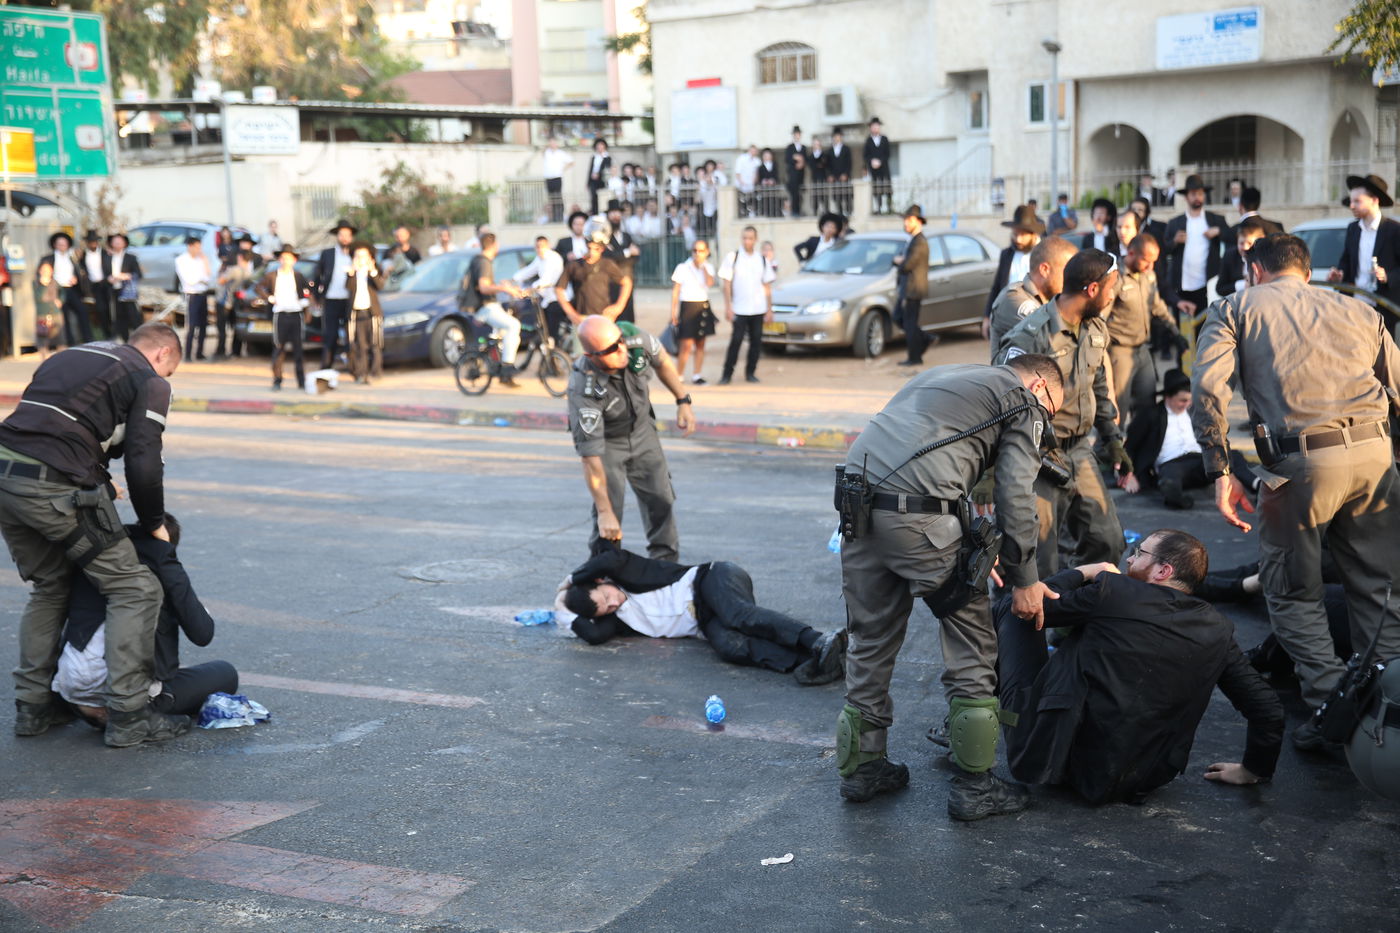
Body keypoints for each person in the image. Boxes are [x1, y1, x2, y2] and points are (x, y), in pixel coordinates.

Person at [1192, 232, 1400, 753]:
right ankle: (1390, 702)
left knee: (1290, 589)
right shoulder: (1358, 308)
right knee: (1381, 589)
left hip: (1300, 463)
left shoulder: (1235, 307)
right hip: (1375, 454)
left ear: (1255, 270)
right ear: (1304, 271)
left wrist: (1220, 469)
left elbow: (1207, 391)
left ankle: (1336, 712)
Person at [834, 355, 1063, 816]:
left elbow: (930, 457)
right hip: (918, 520)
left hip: (857, 511)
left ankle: (862, 768)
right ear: (1040, 385)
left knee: (870, 639)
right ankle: (976, 787)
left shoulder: (943, 375)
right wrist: (1025, 580)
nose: (1047, 419)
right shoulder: (1023, 400)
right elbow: (1016, 495)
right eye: (1054, 409)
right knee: (973, 644)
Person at [0, 322, 189, 747]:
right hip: (52, 486)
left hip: (5, 475)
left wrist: (98, 479)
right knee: (135, 588)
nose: (166, 381)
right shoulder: (149, 379)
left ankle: (33, 708)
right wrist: (154, 521)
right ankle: (129, 714)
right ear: (162, 355)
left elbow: (55, 428)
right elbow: (143, 456)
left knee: (51, 585)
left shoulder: (71, 355)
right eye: (170, 371)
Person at [994, 530, 1284, 804]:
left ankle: (975, 707)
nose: (1129, 559)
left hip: (1050, 759)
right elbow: (1266, 706)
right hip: (1140, 779)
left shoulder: (1114, 591)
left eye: (1139, 552)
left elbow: (1033, 604)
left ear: (1163, 570)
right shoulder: (1218, 630)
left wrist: (1085, 571)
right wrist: (1254, 769)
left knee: (1012, 607)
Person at [994, 249, 1131, 577]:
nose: (1114, 294)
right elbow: (999, 401)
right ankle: (1023, 621)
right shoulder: (1031, 335)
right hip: (1037, 456)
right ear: (1093, 290)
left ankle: (1072, 613)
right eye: (1110, 287)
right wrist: (988, 473)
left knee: (1108, 541)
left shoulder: (1095, 328)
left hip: (1080, 450)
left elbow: (1097, 385)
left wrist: (1113, 439)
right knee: (1037, 556)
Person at [557, 546, 846, 684]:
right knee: (728, 646)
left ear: (600, 581)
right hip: (705, 621)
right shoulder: (617, 619)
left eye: (607, 596)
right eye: (605, 608)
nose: (613, 603)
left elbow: (609, 557)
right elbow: (594, 635)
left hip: (711, 579)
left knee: (738, 615)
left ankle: (818, 640)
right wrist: (563, 609)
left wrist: (571, 579)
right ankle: (815, 661)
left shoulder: (626, 573)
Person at [55, 514, 239, 724]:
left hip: (72, 684)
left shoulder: (98, 558)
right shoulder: (163, 566)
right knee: (226, 673)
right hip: (128, 694)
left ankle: (84, 708)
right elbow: (203, 632)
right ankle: (130, 712)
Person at [567, 315, 696, 560]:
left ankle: (664, 568)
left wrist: (683, 400)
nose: (621, 349)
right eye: (611, 349)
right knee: (609, 515)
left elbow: (663, 361)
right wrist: (604, 511)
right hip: (607, 444)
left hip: (642, 432)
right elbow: (590, 458)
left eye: (620, 341)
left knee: (661, 500)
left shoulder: (634, 338)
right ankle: (603, 577)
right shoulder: (583, 386)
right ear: (591, 356)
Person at [1121, 368, 1257, 509]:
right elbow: (1130, 447)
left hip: (1202, 461)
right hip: (1172, 464)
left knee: (1233, 455)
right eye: (1182, 400)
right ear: (1168, 397)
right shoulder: (1151, 415)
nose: (1187, 404)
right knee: (1168, 478)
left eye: (1189, 400)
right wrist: (1129, 474)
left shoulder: (1195, 412)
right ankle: (1175, 496)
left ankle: (1257, 485)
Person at [1105, 234, 1182, 424]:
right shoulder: (1115, 278)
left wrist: (1175, 332)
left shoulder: (1149, 275)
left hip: (1143, 350)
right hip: (1119, 351)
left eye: (1154, 262)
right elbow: (1100, 318)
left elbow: (1157, 306)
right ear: (1131, 253)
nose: (1151, 267)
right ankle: (1111, 450)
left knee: (1148, 404)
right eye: (1146, 261)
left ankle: (1141, 449)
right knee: (1117, 411)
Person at [985, 234, 1076, 357]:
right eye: (1066, 271)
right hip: (1015, 375)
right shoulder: (1015, 300)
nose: (1070, 279)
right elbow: (1054, 342)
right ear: (1044, 270)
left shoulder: (1050, 300)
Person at [460, 233, 525, 386]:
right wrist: (504, 289)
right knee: (513, 325)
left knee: (503, 334)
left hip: (484, 307)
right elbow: (483, 287)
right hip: (486, 307)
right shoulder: (484, 263)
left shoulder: (477, 260)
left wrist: (503, 286)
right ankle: (507, 367)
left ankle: (499, 367)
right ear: (495, 245)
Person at [1163, 174, 1230, 320]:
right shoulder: (1175, 223)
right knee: (1184, 329)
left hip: (1207, 285)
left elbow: (1232, 237)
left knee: (1206, 325)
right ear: (1186, 197)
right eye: (1193, 194)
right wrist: (1174, 241)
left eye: (1200, 194)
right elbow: (1164, 249)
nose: (1197, 197)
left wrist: (1218, 231)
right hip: (1181, 285)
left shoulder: (1215, 220)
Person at [719, 226, 776, 386]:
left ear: (755, 240)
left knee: (756, 342)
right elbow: (727, 284)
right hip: (739, 308)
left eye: (750, 238)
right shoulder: (733, 257)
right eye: (744, 238)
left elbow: (766, 286)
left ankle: (750, 372)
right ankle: (727, 374)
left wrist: (769, 309)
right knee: (736, 341)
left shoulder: (762, 260)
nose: (747, 241)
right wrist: (728, 306)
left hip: (758, 309)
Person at [1329, 173, 1400, 301]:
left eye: (1357, 201)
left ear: (1374, 200)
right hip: (1354, 302)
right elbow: (1346, 260)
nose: (1351, 206)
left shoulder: (1394, 229)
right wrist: (1339, 275)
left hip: (1383, 305)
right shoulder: (1353, 228)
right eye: (1351, 201)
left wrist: (1387, 276)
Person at [255, 245, 312, 391]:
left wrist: (305, 303)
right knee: (279, 349)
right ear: (280, 259)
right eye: (283, 258)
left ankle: (301, 381)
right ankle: (277, 380)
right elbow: (259, 287)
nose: (286, 261)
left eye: (289, 258)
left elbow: (308, 290)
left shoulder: (298, 276)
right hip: (280, 315)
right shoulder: (273, 275)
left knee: (298, 350)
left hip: (296, 315)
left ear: (294, 260)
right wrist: (270, 298)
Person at [556, 226, 632, 324]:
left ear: (602, 249)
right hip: (581, 318)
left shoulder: (607, 264)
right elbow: (558, 289)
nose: (592, 252)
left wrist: (619, 306)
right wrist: (571, 313)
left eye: (596, 249)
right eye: (589, 248)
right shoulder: (574, 265)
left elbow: (627, 283)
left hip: (604, 316)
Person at [984, 205, 1044, 326]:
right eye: (1015, 234)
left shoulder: (1043, 254)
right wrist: (987, 316)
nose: (1018, 239)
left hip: (1035, 318)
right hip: (1006, 318)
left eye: (1022, 235)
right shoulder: (1006, 254)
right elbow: (996, 287)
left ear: (1032, 234)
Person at [669, 239, 716, 385]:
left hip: (702, 306)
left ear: (707, 252)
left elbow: (709, 283)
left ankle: (697, 374)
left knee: (701, 343)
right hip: (687, 306)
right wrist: (673, 313)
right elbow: (675, 291)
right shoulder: (683, 267)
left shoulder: (708, 267)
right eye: (695, 250)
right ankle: (679, 375)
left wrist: (703, 268)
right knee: (686, 344)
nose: (697, 254)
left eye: (701, 251)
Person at [314, 219, 357, 369]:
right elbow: (317, 275)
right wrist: (318, 297)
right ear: (337, 236)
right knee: (330, 336)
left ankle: (354, 368)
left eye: (347, 235)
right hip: (331, 299)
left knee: (351, 336)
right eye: (341, 235)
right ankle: (326, 368)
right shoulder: (328, 254)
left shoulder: (355, 254)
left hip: (350, 300)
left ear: (351, 237)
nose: (344, 238)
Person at [893, 204, 931, 367]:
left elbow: (908, 265)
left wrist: (898, 262)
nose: (906, 223)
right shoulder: (913, 240)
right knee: (900, 318)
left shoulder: (919, 241)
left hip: (913, 289)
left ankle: (915, 356)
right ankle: (924, 339)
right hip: (908, 288)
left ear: (918, 221)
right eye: (905, 220)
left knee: (908, 323)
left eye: (909, 220)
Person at [513, 235, 567, 343]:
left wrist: (530, 289)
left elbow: (547, 280)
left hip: (556, 298)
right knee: (545, 329)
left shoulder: (553, 258)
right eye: (537, 246)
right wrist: (513, 279)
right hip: (546, 299)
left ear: (548, 246)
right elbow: (528, 271)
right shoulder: (539, 259)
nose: (540, 249)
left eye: (542, 246)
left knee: (552, 332)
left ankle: (556, 353)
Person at [343, 242, 384, 385]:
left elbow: (380, 286)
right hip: (357, 313)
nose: (361, 259)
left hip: (372, 313)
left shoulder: (373, 271)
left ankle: (376, 372)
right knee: (360, 346)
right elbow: (348, 287)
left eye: (364, 256)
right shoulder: (352, 273)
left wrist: (372, 271)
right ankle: (362, 373)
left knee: (375, 343)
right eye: (358, 256)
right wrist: (353, 272)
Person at [214, 238, 260, 360]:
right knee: (235, 328)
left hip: (225, 302)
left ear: (240, 257)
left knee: (222, 328)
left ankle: (221, 351)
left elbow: (220, 281)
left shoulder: (234, 270)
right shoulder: (250, 273)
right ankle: (236, 351)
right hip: (237, 304)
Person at [43, 232, 88, 346]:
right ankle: (70, 342)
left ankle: (88, 339)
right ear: (55, 245)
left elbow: (79, 273)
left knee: (82, 311)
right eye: (59, 244)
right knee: (64, 317)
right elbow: (44, 275)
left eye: (64, 244)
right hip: (57, 290)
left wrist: (75, 279)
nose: (62, 246)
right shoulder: (48, 258)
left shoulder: (72, 258)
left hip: (71, 289)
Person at [175, 236, 212, 361]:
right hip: (191, 295)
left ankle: (199, 352)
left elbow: (207, 278)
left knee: (203, 325)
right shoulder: (181, 260)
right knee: (191, 325)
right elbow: (189, 280)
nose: (199, 250)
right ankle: (188, 354)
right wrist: (200, 278)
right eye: (197, 247)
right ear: (190, 246)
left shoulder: (200, 259)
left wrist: (204, 266)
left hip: (202, 293)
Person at [604, 200, 641, 323]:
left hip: (627, 277)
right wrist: (627, 252)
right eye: (613, 213)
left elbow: (636, 256)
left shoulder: (626, 236)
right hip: (611, 281)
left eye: (618, 213)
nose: (615, 216)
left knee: (628, 312)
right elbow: (609, 257)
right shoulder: (604, 236)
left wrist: (620, 254)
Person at [1216, 217, 1268, 298]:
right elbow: (1220, 289)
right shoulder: (1229, 255)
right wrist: (1242, 285)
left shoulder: (1267, 257)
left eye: (1250, 243)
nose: (1245, 247)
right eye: (1241, 243)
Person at [106, 233, 144, 343]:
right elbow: (103, 273)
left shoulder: (131, 258)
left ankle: (139, 339)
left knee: (133, 315)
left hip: (127, 291)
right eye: (115, 241)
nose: (117, 243)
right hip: (113, 289)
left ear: (125, 243)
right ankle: (125, 340)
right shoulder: (107, 257)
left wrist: (126, 276)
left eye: (119, 241)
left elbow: (138, 274)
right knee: (119, 316)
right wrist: (109, 278)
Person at [78, 229, 114, 340]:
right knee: (99, 309)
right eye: (90, 242)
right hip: (92, 285)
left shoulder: (105, 253)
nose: (93, 244)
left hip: (105, 284)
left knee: (108, 309)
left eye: (94, 242)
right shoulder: (83, 255)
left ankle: (111, 331)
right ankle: (103, 333)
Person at [31, 255, 64, 360]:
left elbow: (63, 293)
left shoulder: (54, 282)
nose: (46, 272)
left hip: (55, 312)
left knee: (60, 337)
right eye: (43, 269)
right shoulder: (36, 283)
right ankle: (43, 359)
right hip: (42, 313)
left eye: (48, 269)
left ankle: (62, 359)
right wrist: (43, 285)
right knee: (42, 338)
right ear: (39, 270)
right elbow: (38, 297)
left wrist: (61, 300)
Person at [863, 117, 892, 215]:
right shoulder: (868, 140)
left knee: (887, 187)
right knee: (876, 189)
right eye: (873, 126)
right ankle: (878, 208)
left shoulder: (884, 139)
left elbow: (888, 154)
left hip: (884, 167)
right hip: (874, 169)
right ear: (870, 128)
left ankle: (889, 207)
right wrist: (872, 161)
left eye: (877, 126)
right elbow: (866, 155)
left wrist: (880, 161)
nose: (875, 128)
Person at [542, 137, 574, 223]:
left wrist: (562, 169)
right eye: (550, 143)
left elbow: (571, 162)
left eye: (553, 142)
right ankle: (552, 217)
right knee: (551, 198)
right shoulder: (547, 152)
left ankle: (559, 216)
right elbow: (542, 151)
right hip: (548, 178)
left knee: (558, 197)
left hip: (557, 177)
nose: (552, 144)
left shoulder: (561, 153)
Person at [784, 126, 807, 218]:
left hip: (801, 174)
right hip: (792, 174)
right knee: (794, 193)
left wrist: (802, 162)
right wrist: (795, 158)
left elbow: (805, 159)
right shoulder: (790, 147)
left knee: (800, 193)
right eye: (795, 134)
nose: (797, 136)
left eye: (798, 134)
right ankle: (794, 211)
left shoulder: (803, 147)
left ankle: (799, 210)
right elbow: (787, 159)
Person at [829, 129, 853, 215]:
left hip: (844, 176)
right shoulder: (830, 150)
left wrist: (845, 174)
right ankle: (839, 212)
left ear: (841, 137)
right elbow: (829, 164)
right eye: (835, 136)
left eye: (838, 136)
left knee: (847, 195)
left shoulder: (846, 149)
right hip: (835, 177)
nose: (837, 138)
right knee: (836, 196)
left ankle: (849, 211)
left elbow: (849, 163)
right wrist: (830, 175)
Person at [734, 144, 760, 217]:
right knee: (742, 203)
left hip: (752, 186)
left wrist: (754, 181)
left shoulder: (757, 160)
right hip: (742, 186)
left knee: (752, 202)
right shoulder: (741, 158)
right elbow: (737, 172)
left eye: (755, 151)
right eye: (752, 150)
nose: (753, 152)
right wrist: (741, 182)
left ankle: (751, 214)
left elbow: (757, 173)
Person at [587, 138, 611, 215]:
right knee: (593, 198)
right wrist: (588, 181)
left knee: (601, 198)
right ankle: (594, 213)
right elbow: (590, 169)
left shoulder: (607, 157)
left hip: (602, 180)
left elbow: (606, 169)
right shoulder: (594, 157)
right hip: (593, 180)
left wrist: (598, 174)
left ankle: (602, 214)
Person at [756, 148, 781, 217]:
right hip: (764, 189)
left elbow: (777, 176)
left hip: (773, 188)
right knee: (765, 202)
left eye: (768, 155)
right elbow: (759, 178)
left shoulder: (775, 165)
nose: (767, 157)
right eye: (765, 155)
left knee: (774, 202)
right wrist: (764, 181)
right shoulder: (760, 167)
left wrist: (773, 181)